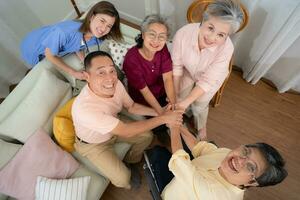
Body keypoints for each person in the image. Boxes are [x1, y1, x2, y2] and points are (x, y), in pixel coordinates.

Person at [72, 51, 183, 189]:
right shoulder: (85, 109)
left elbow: (131, 106)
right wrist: (164, 118)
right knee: (123, 179)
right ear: (87, 76)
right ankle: (125, 172)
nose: (110, 78)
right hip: (94, 144)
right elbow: (125, 131)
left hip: (114, 125)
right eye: (101, 73)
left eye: (112, 70)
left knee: (147, 136)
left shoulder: (115, 83)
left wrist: (160, 112)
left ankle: (130, 160)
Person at [172, 0, 245, 139]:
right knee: (180, 95)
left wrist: (185, 103)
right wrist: (175, 93)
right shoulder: (183, 34)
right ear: (203, 21)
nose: (212, 38)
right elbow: (177, 66)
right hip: (188, 71)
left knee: (200, 104)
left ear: (227, 35)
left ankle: (201, 126)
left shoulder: (227, 49)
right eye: (210, 28)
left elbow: (207, 81)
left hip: (211, 79)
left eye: (221, 35)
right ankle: (182, 116)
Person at [159, 126, 288, 200]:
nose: (240, 159)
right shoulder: (227, 154)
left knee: (156, 154)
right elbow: (201, 147)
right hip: (176, 180)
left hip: (171, 196)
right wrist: (180, 124)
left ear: (252, 182)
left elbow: (180, 162)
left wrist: (174, 127)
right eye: (245, 151)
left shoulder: (217, 196)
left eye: (250, 167)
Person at [20, 1, 122, 80]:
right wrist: (73, 72)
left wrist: (85, 62)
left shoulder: (97, 38)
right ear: (92, 16)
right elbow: (49, 55)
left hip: (51, 40)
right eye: (102, 21)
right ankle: (28, 73)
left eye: (109, 26)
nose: (103, 29)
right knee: (36, 68)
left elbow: (78, 45)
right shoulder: (63, 32)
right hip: (33, 45)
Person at [123, 14, 175, 115]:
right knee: (160, 127)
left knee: (175, 119)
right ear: (143, 35)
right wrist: (161, 113)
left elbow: (168, 79)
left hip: (161, 94)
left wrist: (173, 105)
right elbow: (145, 91)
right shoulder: (131, 59)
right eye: (152, 34)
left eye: (161, 36)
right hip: (143, 100)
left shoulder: (162, 49)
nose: (156, 40)